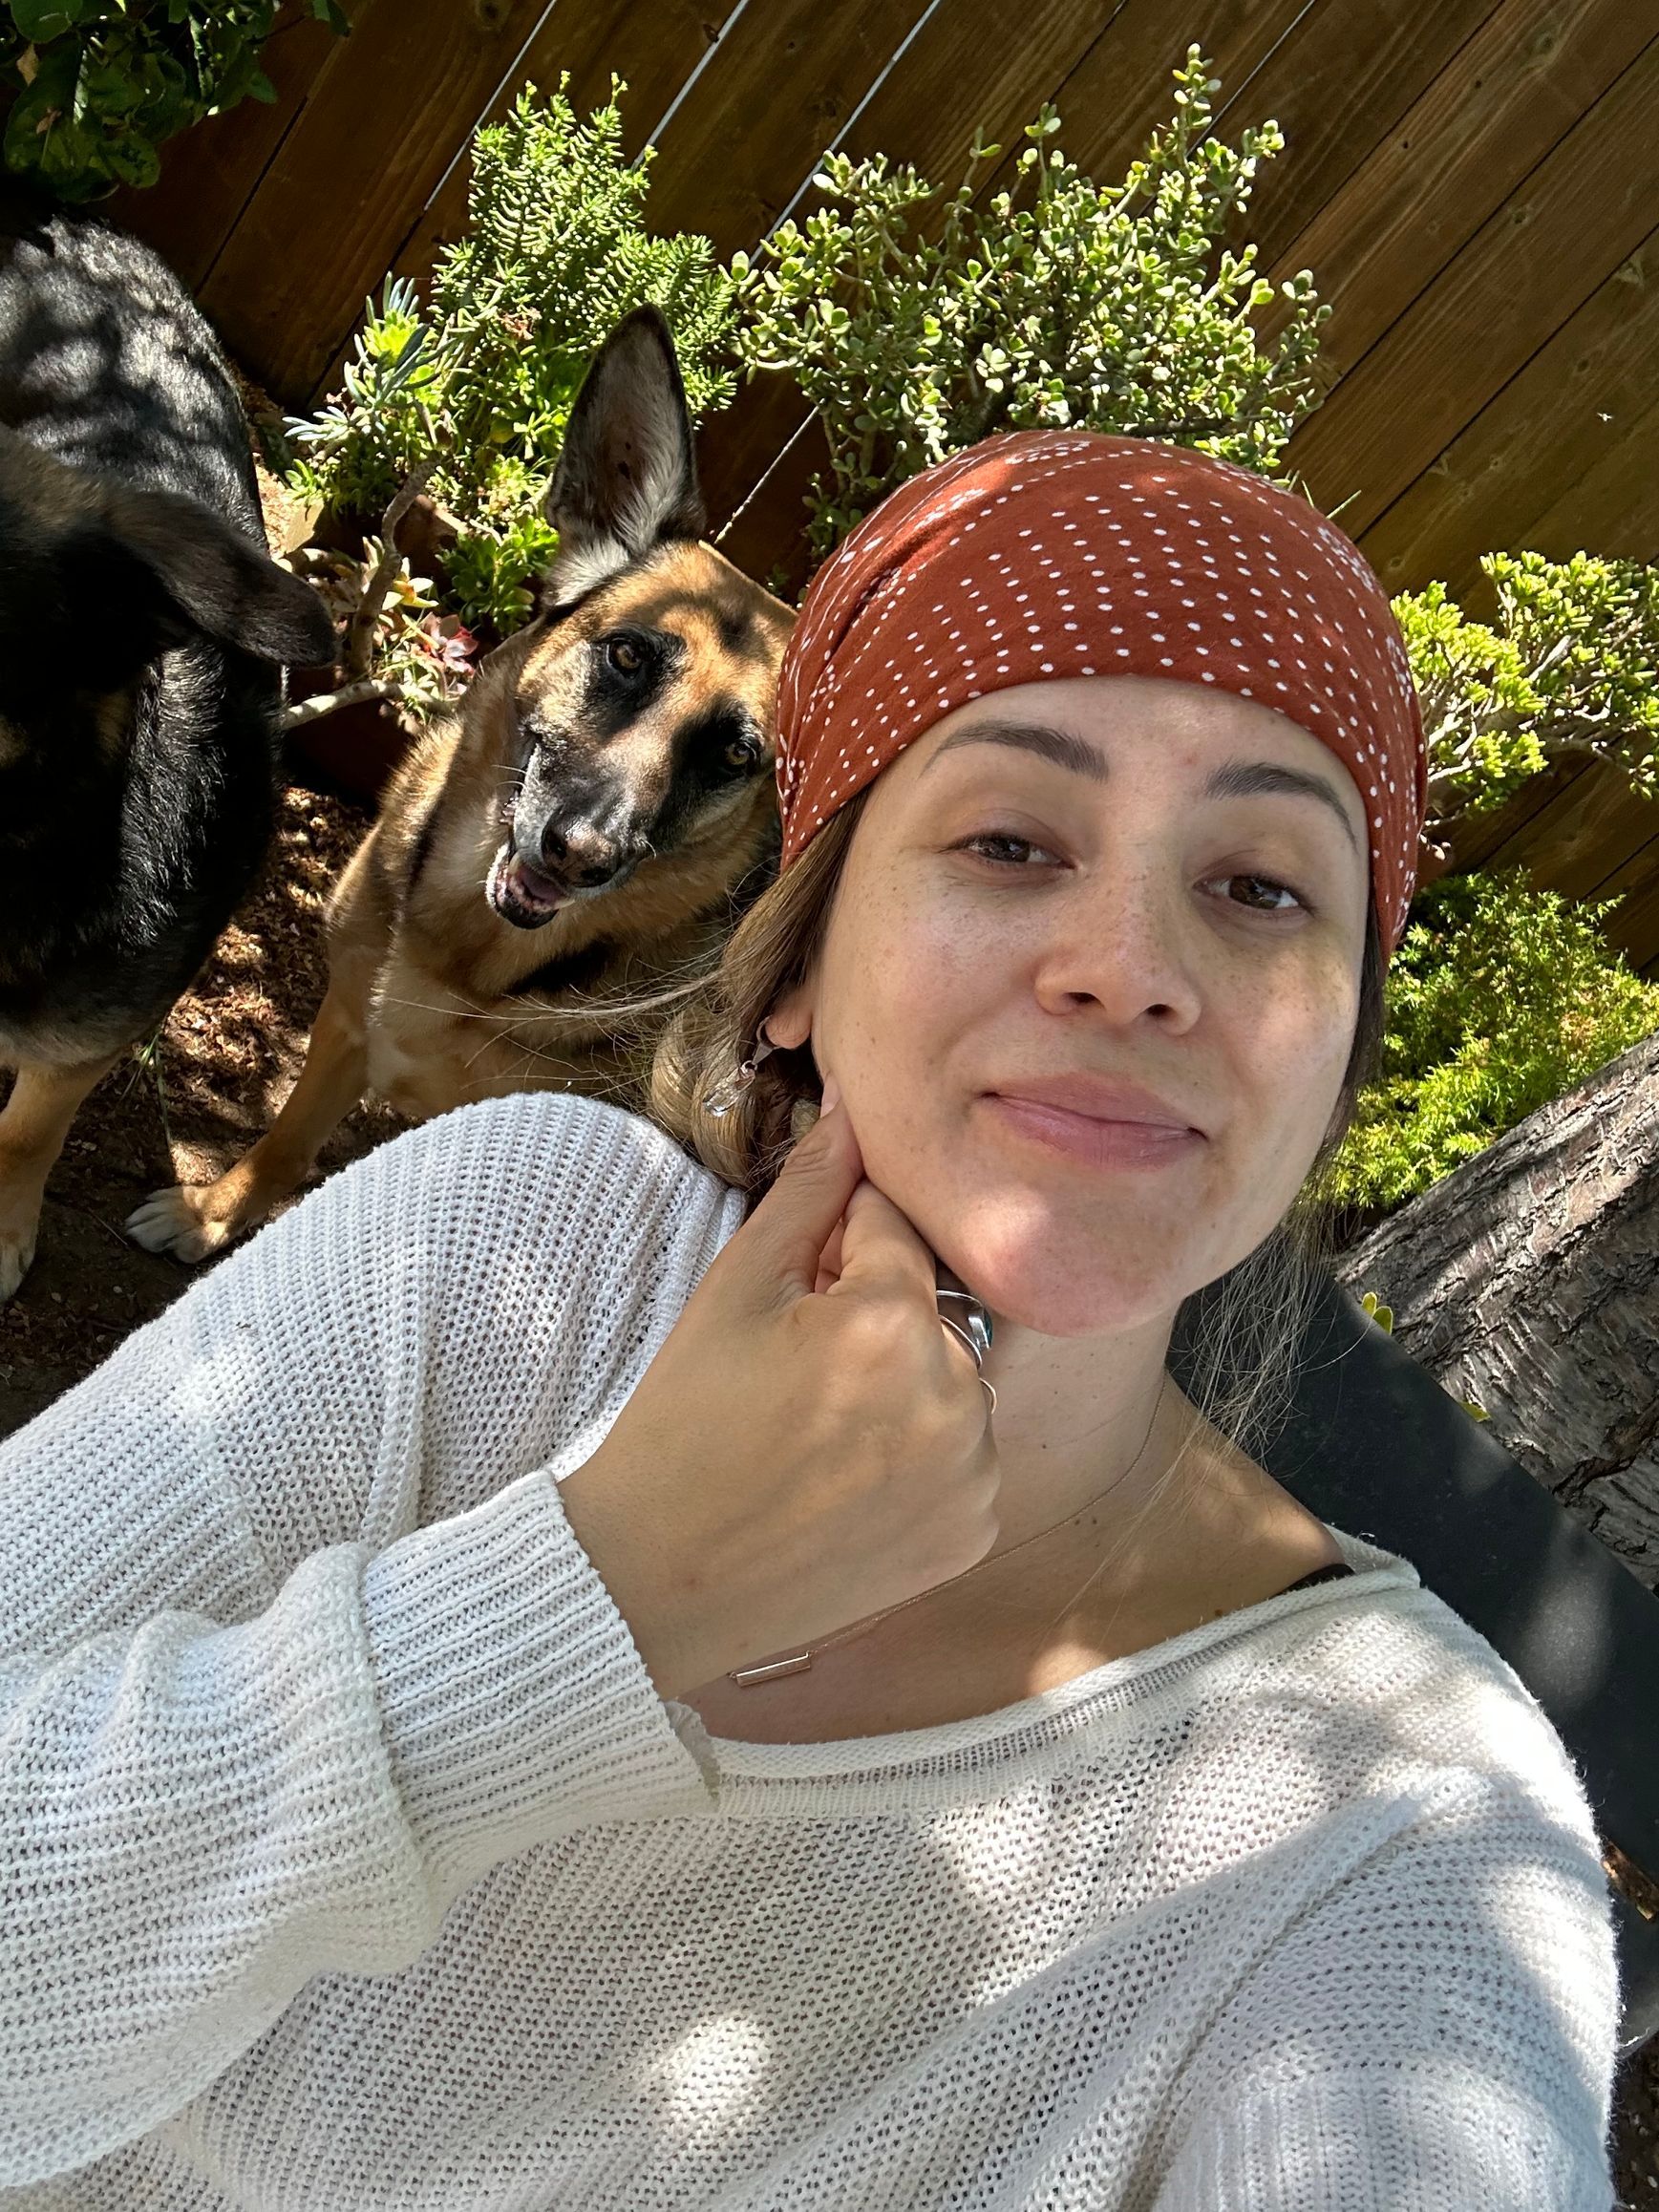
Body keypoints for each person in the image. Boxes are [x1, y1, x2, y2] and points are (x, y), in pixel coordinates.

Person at [0, 431, 1617, 2207]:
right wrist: (584, 1600)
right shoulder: (486, 1253)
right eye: (1009, 838)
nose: (1132, 963)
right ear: (791, 974)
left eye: (1258, 887)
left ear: (1330, 1067)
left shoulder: (1411, 1836)